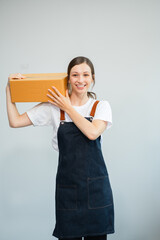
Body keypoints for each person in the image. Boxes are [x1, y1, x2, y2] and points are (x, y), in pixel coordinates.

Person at [6, 56, 115, 240]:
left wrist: (68, 107)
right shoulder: (53, 108)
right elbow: (15, 122)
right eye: (75, 75)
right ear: (68, 79)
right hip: (68, 191)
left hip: (96, 190)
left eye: (85, 75)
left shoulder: (100, 106)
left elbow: (92, 133)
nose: (81, 80)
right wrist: (9, 89)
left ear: (92, 78)